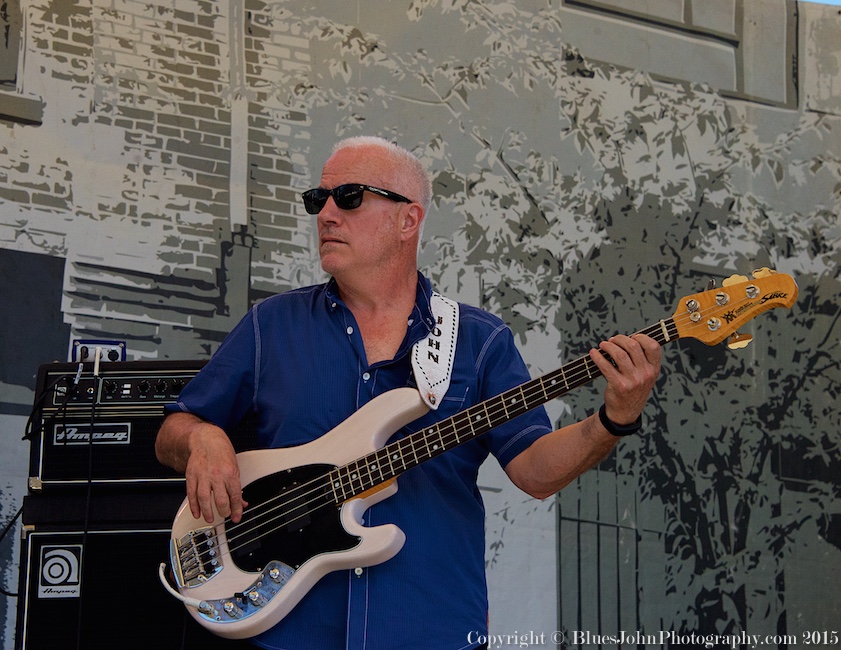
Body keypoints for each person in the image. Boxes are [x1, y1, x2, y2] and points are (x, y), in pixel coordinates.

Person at [155, 136, 661, 650]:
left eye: (349, 197)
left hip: (428, 629)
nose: (326, 214)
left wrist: (614, 418)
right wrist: (203, 438)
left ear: (408, 220)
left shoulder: (479, 342)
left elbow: (534, 471)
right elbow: (174, 428)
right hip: (290, 632)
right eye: (318, 200)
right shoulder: (271, 325)